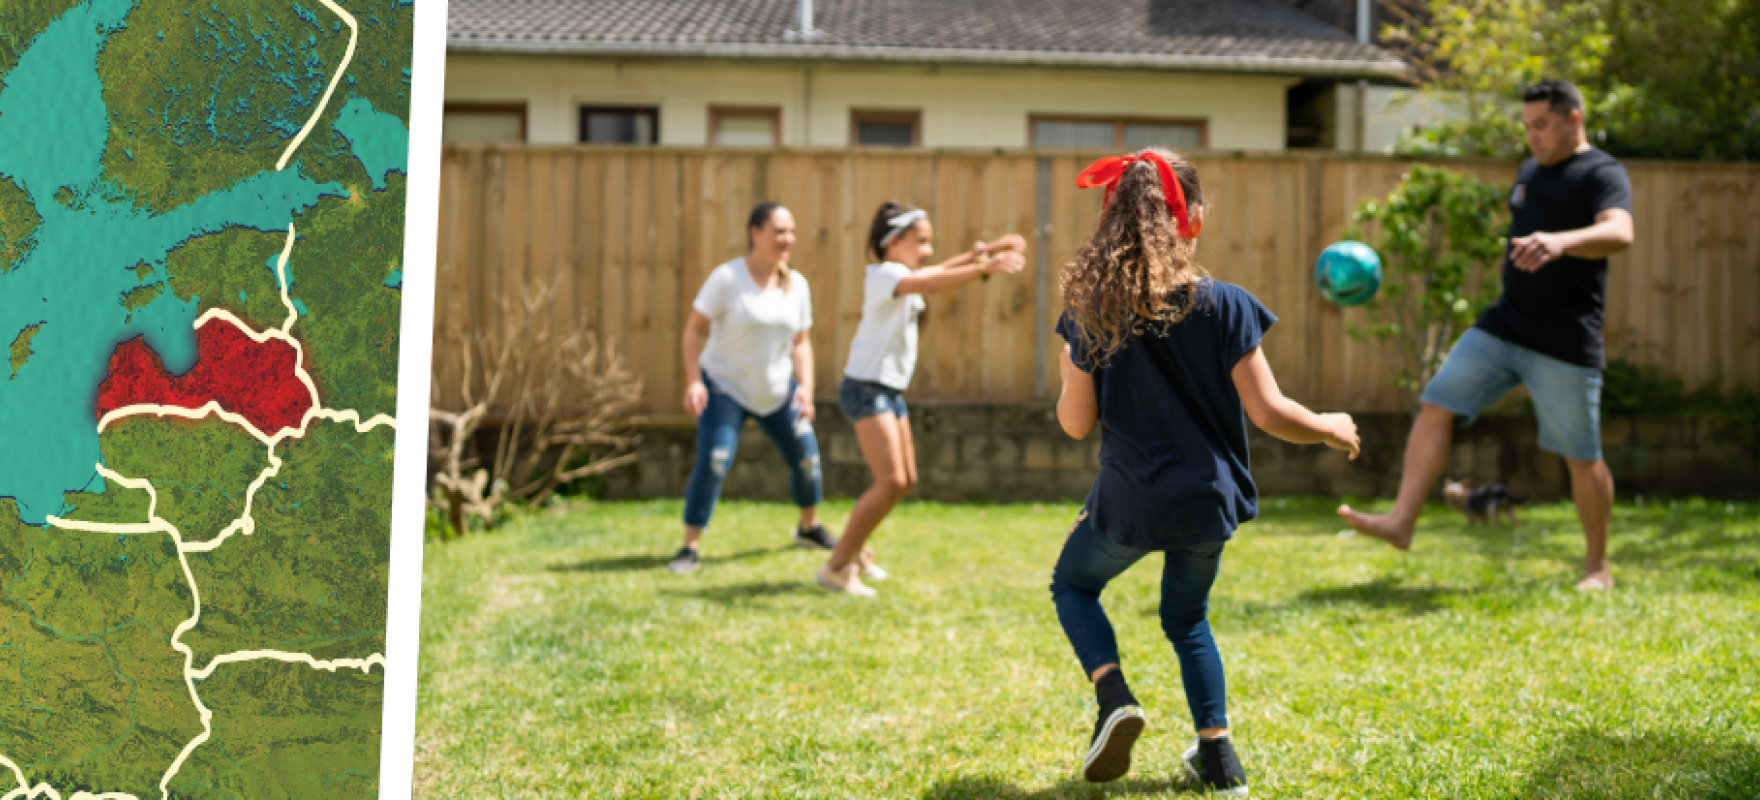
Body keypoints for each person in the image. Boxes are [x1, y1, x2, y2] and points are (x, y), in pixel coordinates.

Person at [1050, 148, 1360, 793]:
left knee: (1074, 586)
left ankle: (1114, 698)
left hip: (1130, 502)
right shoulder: (1227, 305)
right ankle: (1217, 757)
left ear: (1111, 220)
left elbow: (1076, 424)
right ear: (1189, 217)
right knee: (1186, 618)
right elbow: (1271, 413)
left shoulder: (1091, 311)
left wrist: (1069, 365)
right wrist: (1329, 425)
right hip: (1205, 502)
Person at [1338, 79, 1634, 591]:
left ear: (1574, 120)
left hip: (1564, 338)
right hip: (1504, 324)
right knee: (1437, 403)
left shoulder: (1601, 172)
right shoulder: (1527, 172)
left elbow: (1619, 231)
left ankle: (1597, 566)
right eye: (1526, 127)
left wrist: (1559, 243)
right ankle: (1402, 520)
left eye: (1540, 125)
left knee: (1581, 457)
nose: (1532, 137)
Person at [814, 201, 1027, 596]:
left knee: (904, 480)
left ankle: (853, 550)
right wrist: (985, 267)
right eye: (921, 242)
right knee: (890, 480)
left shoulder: (902, 272)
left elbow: (936, 271)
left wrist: (988, 251)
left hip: (886, 389)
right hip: (866, 388)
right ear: (893, 242)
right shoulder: (885, 275)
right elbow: (930, 282)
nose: (928, 250)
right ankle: (837, 566)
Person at [668, 202, 836, 574]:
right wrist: (694, 380)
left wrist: (805, 387)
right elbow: (693, 330)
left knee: (807, 460)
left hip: (777, 389)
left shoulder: (797, 285)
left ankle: (808, 527)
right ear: (755, 233)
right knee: (715, 460)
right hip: (725, 385)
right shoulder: (727, 279)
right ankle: (689, 547)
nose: (787, 238)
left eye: (791, 231)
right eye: (779, 231)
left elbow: (801, 342)